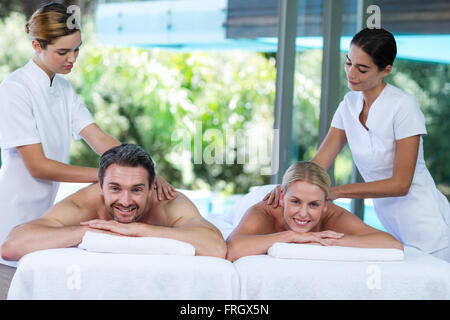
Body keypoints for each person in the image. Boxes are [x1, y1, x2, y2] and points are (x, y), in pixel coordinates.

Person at [0, 2, 174, 299]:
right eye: (63, 52)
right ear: (36, 46)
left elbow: (99, 139)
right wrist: (109, 179)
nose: (72, 59)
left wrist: (143, 170)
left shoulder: (64, 91)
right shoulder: (15, 89)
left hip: (45, 221)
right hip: (9, 219)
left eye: (77, 49)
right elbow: (38, 166)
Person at [264, 28, 450, 262]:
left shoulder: (403, 107)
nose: (352, 73)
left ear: (386, 70)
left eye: (362, 69)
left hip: (424, 221)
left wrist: (338, 191)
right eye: (349, 63)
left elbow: (401, 184)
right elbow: (318, 164)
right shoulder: (348, 105)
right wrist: (287, 186)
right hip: (389, 220)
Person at [1, 144, 227, 264]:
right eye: (115, 188)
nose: (126, 201)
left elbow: (216, 248)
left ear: (151, 189)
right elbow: (11, 247)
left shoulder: (168, 203)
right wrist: (92, 230)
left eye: (137, 190)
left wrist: (137, 230)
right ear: (100, 186)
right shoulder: (85, 205)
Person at [226, 161, 403, 262]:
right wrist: (291, 236)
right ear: (283, 197)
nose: (303, 213)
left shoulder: (334, 216)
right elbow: (232, 249)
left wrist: (325, 241)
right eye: (296, 202)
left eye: (313, 205)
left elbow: (393, 244)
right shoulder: (265, 211)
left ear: (325, 205)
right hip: (263, 196)